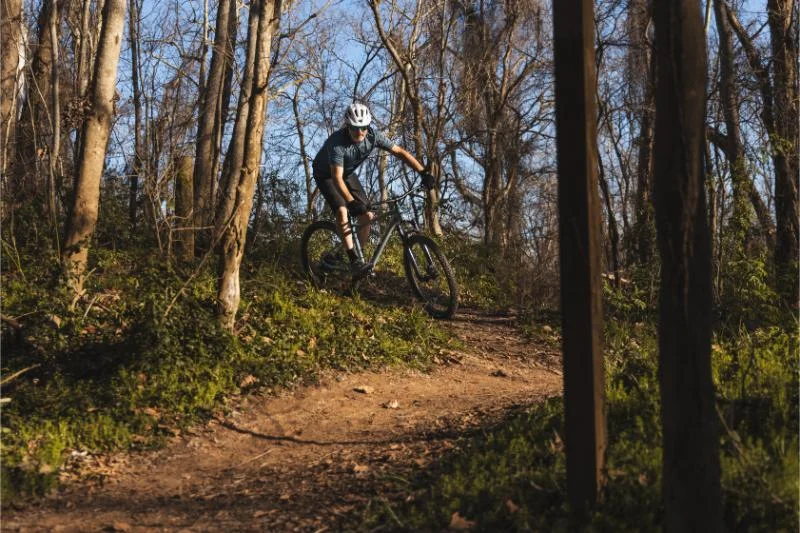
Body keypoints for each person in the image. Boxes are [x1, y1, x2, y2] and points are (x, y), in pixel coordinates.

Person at [312, 102, 435, 279]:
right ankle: (353, 259)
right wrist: (351, 202)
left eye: (363, 127)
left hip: (347, 173)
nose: (360, 132)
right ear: (348, 126)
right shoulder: (337, 143)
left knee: (367, 215)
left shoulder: (373, 136)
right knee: (342, 210)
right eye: (355, 128)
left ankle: (359, 256)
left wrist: (423, 172)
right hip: (327, 175)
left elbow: (400, 152)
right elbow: (336, 177)